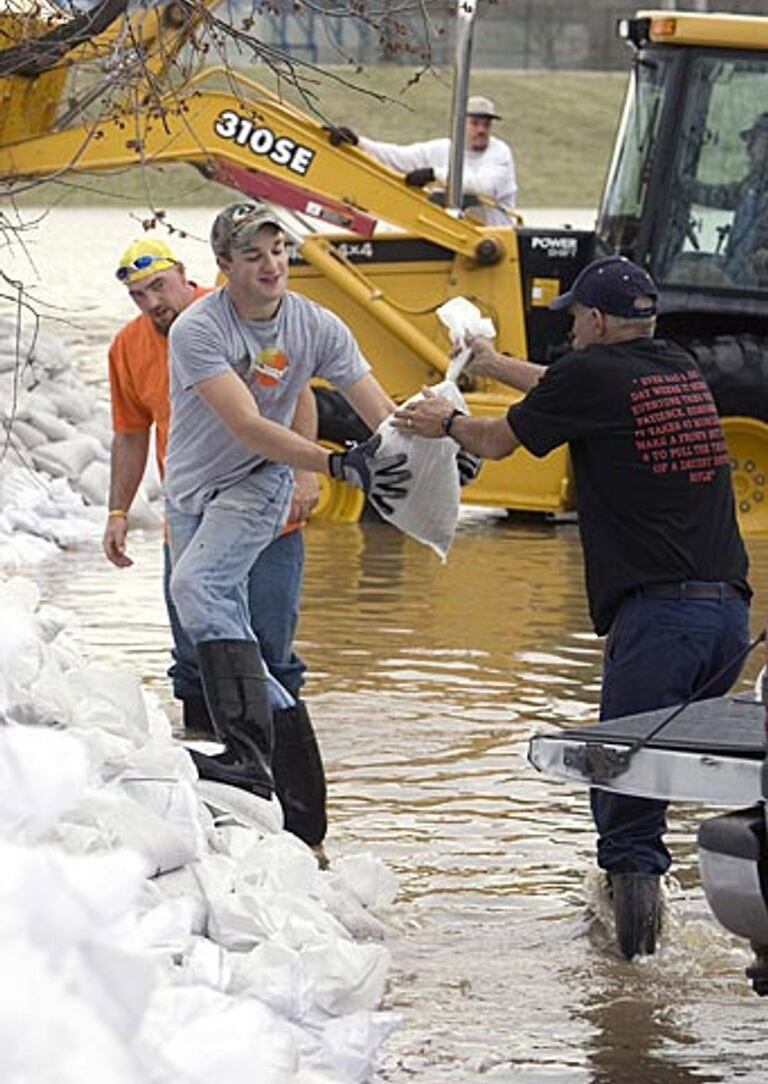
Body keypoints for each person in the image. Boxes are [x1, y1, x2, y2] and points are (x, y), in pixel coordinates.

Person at [393, 254, 752, 960]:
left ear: (592, 319)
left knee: (625, 807)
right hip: (728, 623)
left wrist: (446, 420)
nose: (574, 334)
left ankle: (633, 993)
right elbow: (569, 390)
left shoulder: (592, 374)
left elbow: (498, 441)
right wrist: (493, 365)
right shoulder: (675, 365)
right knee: (653, 793)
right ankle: (648, 960)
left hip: (661, 620)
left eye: (576, 321)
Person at [163, 200, 413, 815]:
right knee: (218, 616)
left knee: (195, 586)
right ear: (224, 265)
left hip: (259, 480)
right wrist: (332, 462)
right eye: (253, 255)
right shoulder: (197, 329)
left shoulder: (318, 325)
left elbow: (382, 411)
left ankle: (247, 756)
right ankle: (300, 787)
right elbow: (245, 422)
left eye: (279, 251)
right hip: (194, 487)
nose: (272, 265)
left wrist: (436, 455)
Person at [103, 236, 330, 858]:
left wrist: (308, 475)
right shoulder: (128, 346)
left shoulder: (231, 318)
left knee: (274, 654)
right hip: (191, 517)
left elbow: (299, 392)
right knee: (195, 652)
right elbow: (130, 434)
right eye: (138, 295)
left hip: (267, 511)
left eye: (159, 287)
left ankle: (298, 811)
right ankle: (226, 785)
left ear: (186, 276)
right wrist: (119, 509)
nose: (152, 303)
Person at [328, 94, 517, 225]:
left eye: (486, 124)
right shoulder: (441, 148)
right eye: (475, 123)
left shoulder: (499, 153)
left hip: (495, 240)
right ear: (459, 124)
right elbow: (397, 158)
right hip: (458, 238)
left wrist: (435, 174)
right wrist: (358, 142)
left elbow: (487, 189)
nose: (481, 130)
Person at [686, 111, 768, 285]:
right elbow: (719, 196)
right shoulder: (753, 185)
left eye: (756, 139)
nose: (749, 147)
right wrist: (679, 185)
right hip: (736, 278)